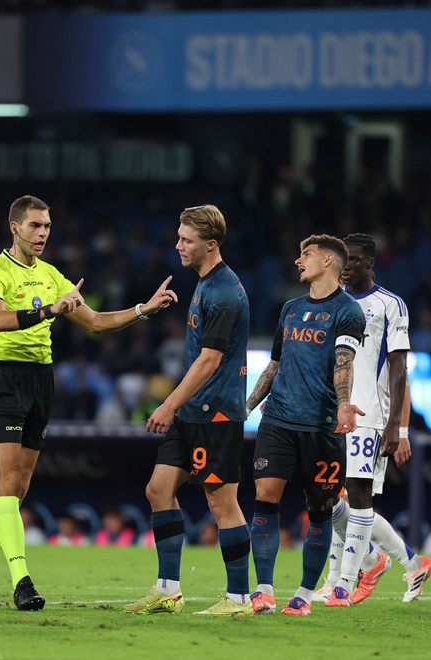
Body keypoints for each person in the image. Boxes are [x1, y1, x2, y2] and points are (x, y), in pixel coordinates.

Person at [0, 195, 177, 612]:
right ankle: (22, 581)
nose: (42, 233)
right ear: (15, 227)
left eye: (46, 226)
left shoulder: (51, 275)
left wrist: (142, 310)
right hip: (4, 376)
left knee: (19, 486)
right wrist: (47, 311)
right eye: (35, 225)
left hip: (41, 378)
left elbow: (95, 322)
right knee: (7, 482)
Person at [123, 204, 251, 617]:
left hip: (216, 413)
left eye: (186, 240)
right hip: (193, 409)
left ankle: (239, 598)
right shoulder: (205, 283)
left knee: (222, 504)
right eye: (179, 237)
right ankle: (168, 590)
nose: (178, 245)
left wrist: (169, 403)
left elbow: (210, 361)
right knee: (158, 490)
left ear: (211, 244)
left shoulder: (224, 292)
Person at [244, 234, 365, 617]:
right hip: (278, 418)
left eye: (306, 254)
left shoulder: (348, 311)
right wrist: (247, 406)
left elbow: (344, 360)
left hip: (321, 425)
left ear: (328, 261)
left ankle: (304, 593)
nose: (299, 261)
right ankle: (264, 590)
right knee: (265, 495)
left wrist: (343, 405)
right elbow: (275, 364)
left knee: (320, 507)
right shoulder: (290, 309)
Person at [318, 233, 431, 608]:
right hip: (333, 413)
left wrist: (397, 427)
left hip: (369, 414)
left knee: (356, 496)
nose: (346, 266)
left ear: (371, 262)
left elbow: (400, 369)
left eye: (354, 259)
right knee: (328, 497)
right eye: (343, 259)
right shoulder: (333, 300)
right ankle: (402, 562)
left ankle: (342, 583)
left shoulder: (391, 305)